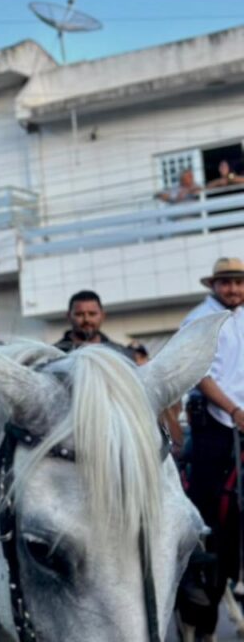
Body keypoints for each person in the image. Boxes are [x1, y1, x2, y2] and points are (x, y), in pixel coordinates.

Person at [176, 257, 244, 636]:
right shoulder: (199, 319)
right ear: (214, 286)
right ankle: (198, 579)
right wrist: (233, 409)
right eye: (226, 283)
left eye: (238, 283)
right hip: (216, 426)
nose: (233, 290)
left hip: (242, 422)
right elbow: (199, 373)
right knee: (211, 518)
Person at [54, 290, 134, 359]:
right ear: (68, 316)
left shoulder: (120, 353)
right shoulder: (54, 354)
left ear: (102, 315)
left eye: (92, 314)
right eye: (79, 314)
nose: (86, 319)